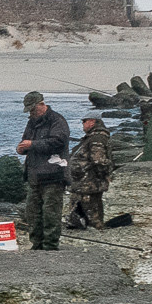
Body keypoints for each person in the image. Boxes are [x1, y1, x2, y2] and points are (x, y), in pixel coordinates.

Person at [15, 91, 70, 251]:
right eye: (29, 110)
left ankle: (50, 246)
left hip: (54, 174)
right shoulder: (32, 122)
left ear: (42, 104)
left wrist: (32, 145)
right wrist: (21, 149)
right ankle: (37, 244)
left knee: (50, 212)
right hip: (34, 175)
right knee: (32, 212)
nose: (32, 113)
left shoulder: (57, 120)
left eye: (33, 109)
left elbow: (58, 142)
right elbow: (26, 141)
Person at [66, 115, 114, 230]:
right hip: (84, 181)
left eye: (84, 121)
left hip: (89, 182)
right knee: (84, 205)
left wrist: (101, 177)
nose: (83, 124)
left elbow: (99, 161)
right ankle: (85, 225)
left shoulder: (96, 139)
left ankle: (95, 227)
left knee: (91, 207)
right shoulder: (92, 138)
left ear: (92, 122)